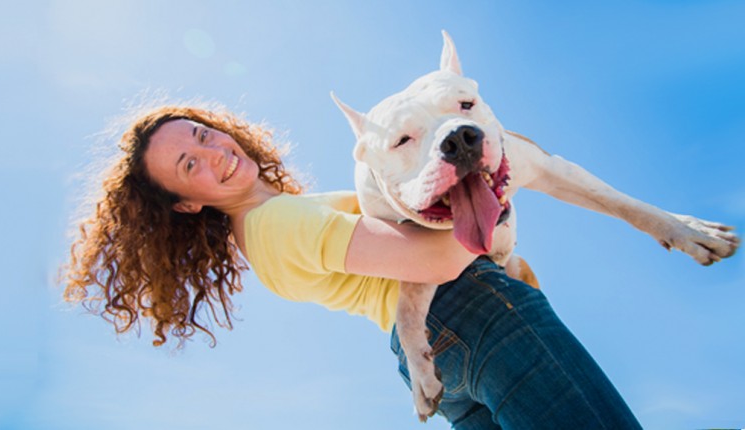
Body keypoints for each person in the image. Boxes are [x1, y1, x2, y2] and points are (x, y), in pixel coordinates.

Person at [63, 103, 643, 429]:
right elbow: (439, 254)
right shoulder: (278, 224)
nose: (215, 152)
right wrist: (493, 189)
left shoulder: (262, 236)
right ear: (187, 204)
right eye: (191, 164)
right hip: (471, 312)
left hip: (431, 358)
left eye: (203, 135)